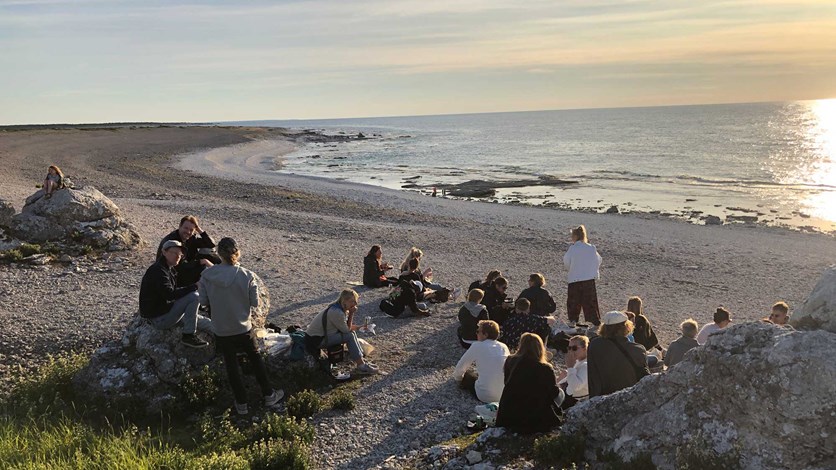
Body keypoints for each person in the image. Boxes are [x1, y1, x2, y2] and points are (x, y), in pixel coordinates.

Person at [198, 238, 283, 415]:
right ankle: (268, 394)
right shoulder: (247, 275)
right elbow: (254, 302)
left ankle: (242, 404)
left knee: (231, 365)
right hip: (242, 327)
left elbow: (203, 301)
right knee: (255, 359)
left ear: (219, 254)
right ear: (237, 253)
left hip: (221, 328)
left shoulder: (207, 275)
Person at [139, 240, 212, 348]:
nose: (178, 256)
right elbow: (169, 294)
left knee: (209, 324)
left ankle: (230, 339)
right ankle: (188, 335)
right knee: (194, 296)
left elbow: (173, 292)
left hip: (166, 311)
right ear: (164, 252)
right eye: (174, 253)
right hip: (159, 318)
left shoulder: (169, 268)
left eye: (180, 254)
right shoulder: (158, 270)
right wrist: (194, 286)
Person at [495, 333, 562, 433]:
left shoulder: (510, 361)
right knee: (561, 393)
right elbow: (554, 393)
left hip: (509, 415)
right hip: (534, 417)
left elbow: (506, 382)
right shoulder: (545, 368)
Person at [305, 289, 379, 375]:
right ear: (344, 301)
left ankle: (361, 360)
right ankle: (361, 365)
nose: (355, 304)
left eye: (355, 301)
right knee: (350, 336)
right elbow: (347, 330)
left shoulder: (336, 307)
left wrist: (360, 327)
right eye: (352, 301)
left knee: (352, 333)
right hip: (316, 340)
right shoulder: (337, 312)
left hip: (319, 336)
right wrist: (351, 314)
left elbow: (345, 327)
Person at [587, 311, 649, 397]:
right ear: (626, 327)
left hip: (601, 397)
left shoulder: (594, 345)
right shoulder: (638, 349)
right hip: (629, 397)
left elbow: (592, 375)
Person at [452, 320, 509, 403]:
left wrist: (458, 378)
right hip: (503, 394)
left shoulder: (477, 346)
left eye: (478, 331)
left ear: (485, 335)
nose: (476, 334)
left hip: (484, 396)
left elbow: (461, 366)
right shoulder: (503, 347)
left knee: (468, 374)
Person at [157, 215, 221, 286]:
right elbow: (179, 265)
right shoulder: (173, 242)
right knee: (202, 266)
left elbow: (210, 245)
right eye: (186, 228)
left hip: (186, 264)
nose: (188, 232)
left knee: (212, 256)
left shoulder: (190, 238)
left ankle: (225, 272)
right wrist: (202, 261)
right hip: (173, 273)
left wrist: (199, 230)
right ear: (180, 226)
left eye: (191, 230)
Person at [563, 225, 603, 326]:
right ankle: (595, 322)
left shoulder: (572, 248)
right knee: (590, 303)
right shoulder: (591, 248)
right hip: (588, 279)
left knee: (574, 302)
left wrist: (572, 269)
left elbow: (566, 262)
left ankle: (573, 320)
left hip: (574, 279)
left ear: (576, 236)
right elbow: (599, 260)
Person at [557, 335, 589, 409]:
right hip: (568, 395)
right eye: (569, 348)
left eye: (574, 348)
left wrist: (570, 367)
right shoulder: (579, 361)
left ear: (584, 348)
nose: (571, 351)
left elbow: (575, 387)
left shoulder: (586, 365)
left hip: (573, 400)